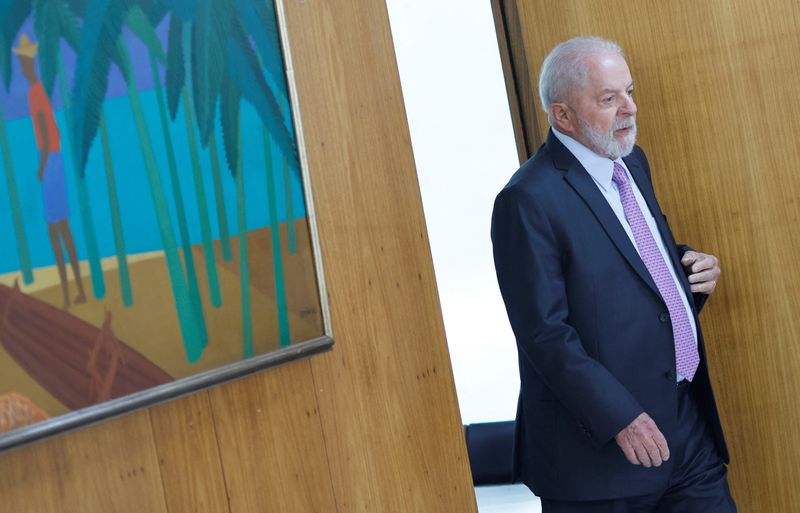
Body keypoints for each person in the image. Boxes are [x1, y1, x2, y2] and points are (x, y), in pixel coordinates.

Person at [491, 37, 737, 512]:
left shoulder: (631, 161)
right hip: (599, 453)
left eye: (629, 91)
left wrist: (686, 270)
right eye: (609, 99)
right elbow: (544, 333)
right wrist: (621, 417)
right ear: (561, 115)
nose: (630, 108)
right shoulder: (526, 201)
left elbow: (627, 263)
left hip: (684, 427)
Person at [13, 34, 86, 310]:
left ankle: (70, 295)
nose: (22, 65)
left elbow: (45, 131)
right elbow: (52, 131)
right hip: (55, 160)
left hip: (51, 163)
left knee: (57, 232)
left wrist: (42, 166)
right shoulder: (38, 90)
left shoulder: (35, 92)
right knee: (61, 231)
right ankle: (75, 291)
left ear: (29, 61)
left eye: (24, 60)